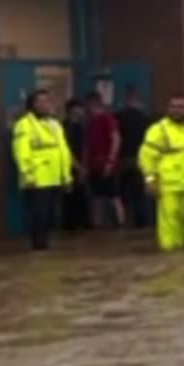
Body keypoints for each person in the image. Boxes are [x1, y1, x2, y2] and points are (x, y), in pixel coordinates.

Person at [138, 93, 184, 251]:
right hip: (170, 187)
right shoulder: (159, 130)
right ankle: (172, 260)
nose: (176, 110)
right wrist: (150, 180)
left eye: (180, 107)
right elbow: (146, 156)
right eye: (173, 107)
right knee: (170, 227)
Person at [12, 89, 75, 250]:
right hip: (37, 178)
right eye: (40, 101)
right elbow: (21, 152)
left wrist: (66, 176)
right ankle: (38, 243)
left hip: (54, 176)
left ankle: (44, 240)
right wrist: (28, 175)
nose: (45, 104)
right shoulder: (24, 125)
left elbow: (63, 151)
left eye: (47, 101)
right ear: (32, 105)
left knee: (51, 214)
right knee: (40, 213)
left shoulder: (54, 124)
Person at [84, 90, 124, 229]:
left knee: (114, 195)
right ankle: (97, 223)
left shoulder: (107, 119)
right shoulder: (90, 122)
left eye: (89, 105)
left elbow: (116, 139)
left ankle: (120, 222)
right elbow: (89, 145)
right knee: (97, 196)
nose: (88, 108)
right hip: (94, 164)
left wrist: (110, 161)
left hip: (107, 163)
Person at [115, 85, 152, 229]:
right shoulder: (145, 119)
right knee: (141, 194)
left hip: (123, 159)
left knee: (123, 193)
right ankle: (142, 223)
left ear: (126, 100)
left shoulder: (118, 117)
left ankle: (125, 221)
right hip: (140, 159)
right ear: (138, 100)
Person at [61, 98, 89, 231]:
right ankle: (69, 225)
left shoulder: (80, 126)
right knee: (69, 196)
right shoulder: (65, 127)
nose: (81, 111)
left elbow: (83, 146)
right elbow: (66, 149)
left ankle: (81, 223)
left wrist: (84, 166)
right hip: (69, 166)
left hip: (80, 165)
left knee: (81, 195)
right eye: (78, 108)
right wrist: (78, 166)